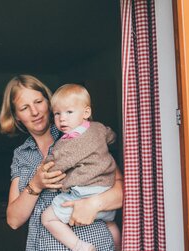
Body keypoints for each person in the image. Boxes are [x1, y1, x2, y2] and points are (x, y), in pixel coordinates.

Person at [0, 75, 123, 250]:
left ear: (49, 102)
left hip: (94, 243)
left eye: (38, 102)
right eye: (25, 107)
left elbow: (121, 191)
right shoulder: (21, 154)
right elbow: (13, 220)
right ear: (17, 116)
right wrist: (35, 184)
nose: (34, 112)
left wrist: (93, 204)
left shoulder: (81, 133)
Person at [41, 84, 119, 251]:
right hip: (106, 190)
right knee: (110, 223)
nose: (62, 119)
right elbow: (111, 136)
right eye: (57, 113)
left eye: (69, 112)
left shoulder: (68, 143)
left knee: (47, 218)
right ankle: (120, 246)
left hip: (84, 193)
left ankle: (80, 246)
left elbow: (54, 166)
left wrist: (45, 165)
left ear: (86, 113)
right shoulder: (99, 128)